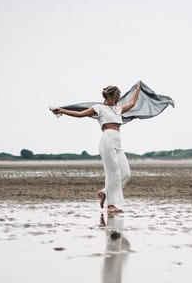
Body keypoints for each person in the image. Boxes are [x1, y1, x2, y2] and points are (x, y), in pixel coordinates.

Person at [52, 83, 141, 214]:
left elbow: (132, 103)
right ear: (110, 96)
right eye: (116, 96)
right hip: (107, 140)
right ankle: (111, 206)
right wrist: (63, 111)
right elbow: (80, 114)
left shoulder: (118, 109)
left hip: (118, 142)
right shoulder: (99, 108)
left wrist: (138, 89)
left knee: (126, 174)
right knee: (113, 173)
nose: (118, 99)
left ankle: (104, 192)